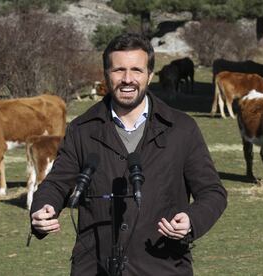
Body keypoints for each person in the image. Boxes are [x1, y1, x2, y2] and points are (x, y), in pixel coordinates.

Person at [30, 33, 227, 276]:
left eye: (136, 70)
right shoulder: (82, 129)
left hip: (163, 265)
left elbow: (212, 192)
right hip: (95, 266)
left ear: (150, 75)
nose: (127, 79)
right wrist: (43, 207)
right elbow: (57, 183)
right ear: (106, 74)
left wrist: (192, 220)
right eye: (118, 70)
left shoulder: (182, 128)